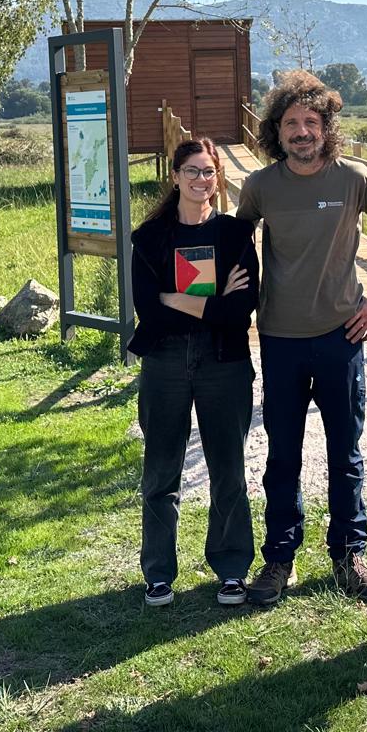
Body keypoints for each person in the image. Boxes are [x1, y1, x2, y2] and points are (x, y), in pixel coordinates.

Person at [234, 70, 367, 605]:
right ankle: (279, 559)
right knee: (282, 455)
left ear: (326, 126)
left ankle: (349, 554)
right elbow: (231, 247)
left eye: (311, 121)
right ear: (276, 130)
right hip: (280, 339)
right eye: (290, 123)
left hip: (341, 337)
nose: (301, 131)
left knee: (346, 452)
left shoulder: (353, 178)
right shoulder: (260, 186)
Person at [128, 138, 259, 608]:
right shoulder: (149, 238)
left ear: (218, 178)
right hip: (163, 360)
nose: (200, 180)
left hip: (223, 361)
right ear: (176, 175)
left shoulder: (234, 235)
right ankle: (159, 572)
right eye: (191, 171)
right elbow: (148, 309)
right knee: (161, 469)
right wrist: (212, 302)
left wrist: (175, 299)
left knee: (228, 469)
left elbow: (241, 311)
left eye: (209, 172)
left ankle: (230, 569)